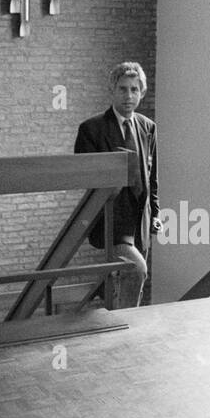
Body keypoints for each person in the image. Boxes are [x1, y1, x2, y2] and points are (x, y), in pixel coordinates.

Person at [74, 61, 161, 308]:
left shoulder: (148, 128)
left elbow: (152, 177)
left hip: (140, 222)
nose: (128, 95)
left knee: (127, 278)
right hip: (110, 220)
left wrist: (155, 213)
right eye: (123, 89)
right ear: (112, 90)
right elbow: (85, 178)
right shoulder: (91, 129)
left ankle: (116, 318)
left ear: (142, 93)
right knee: (137, 270)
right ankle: (127, 324)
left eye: (134, 89)